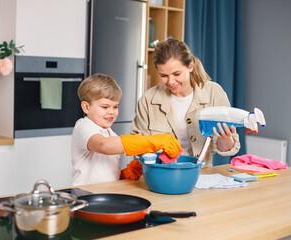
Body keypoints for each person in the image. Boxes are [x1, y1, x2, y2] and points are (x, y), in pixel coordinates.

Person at [131, 38, 240, 167]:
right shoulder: (148, 100)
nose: (171, 81)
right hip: (160, 176)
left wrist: (225, 138)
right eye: (164, 76)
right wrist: (142, 145)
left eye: (177, 74)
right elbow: (138, 150)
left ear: (190, 66)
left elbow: (227, 149)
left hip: (200, 177)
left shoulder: (214, 93)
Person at [72, 73, 182, 186]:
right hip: (86, 195)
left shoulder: (111, 134)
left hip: (106, 193)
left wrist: (125, 174)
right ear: (86, 107)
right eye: (105, 107)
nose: (111, 111)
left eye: (115, 106)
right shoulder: (84, 126)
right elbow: (103, 145)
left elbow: (104, 172)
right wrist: (149, 141)